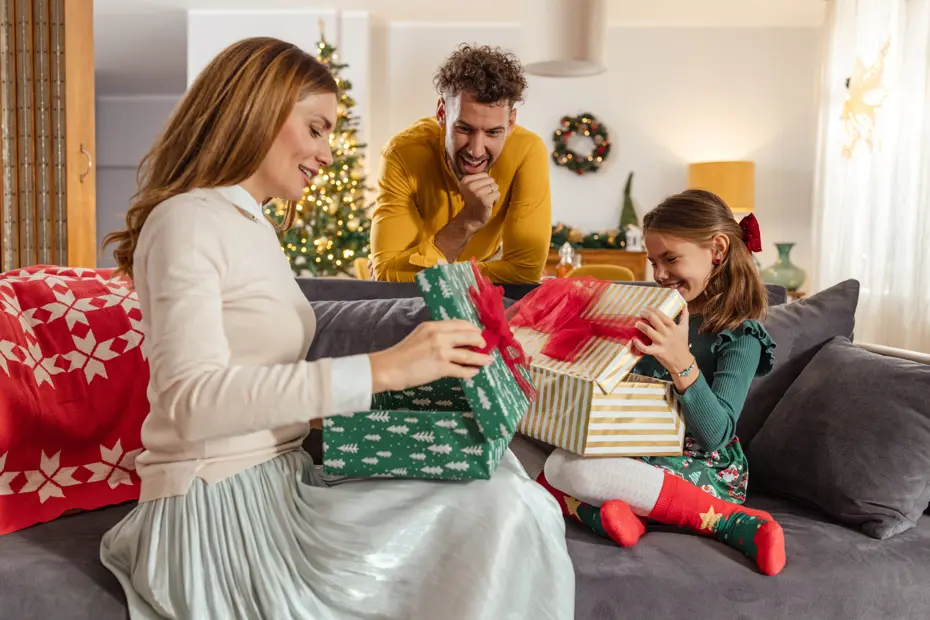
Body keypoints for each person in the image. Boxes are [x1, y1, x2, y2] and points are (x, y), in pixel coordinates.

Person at [98, 37, 574, 620]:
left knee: (500, 482)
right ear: (259, 111)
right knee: (502, 513)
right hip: (217, 510)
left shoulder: (249, 222)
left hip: (282, 485)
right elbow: (192, 404)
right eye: (317, 128)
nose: (327, 154)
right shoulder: (187, 221)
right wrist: (386, 369)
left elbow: (261, 382)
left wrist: (410, 407)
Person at [536, 190, 787, 577]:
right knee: (519, 444)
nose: (659, 274)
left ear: (717, 249)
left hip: (700, 468)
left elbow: (716, 434)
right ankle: (613, 517)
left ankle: (728, 521)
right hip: (637, 448)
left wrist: (680, 360)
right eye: (653, 261)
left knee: (566, 470)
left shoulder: (741, 335)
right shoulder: (659, 312)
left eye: (671, 258)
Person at [370, 44, 552, 285]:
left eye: (493, 132)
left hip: (465, 292)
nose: (476, 151)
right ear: (442, 113)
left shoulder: (528, 151)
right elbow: (388, 277)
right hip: (413, 299)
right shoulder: (401, 154)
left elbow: (523, 273)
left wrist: (428, 272)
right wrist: (469, 220)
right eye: (464, 129)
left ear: (510, 123)